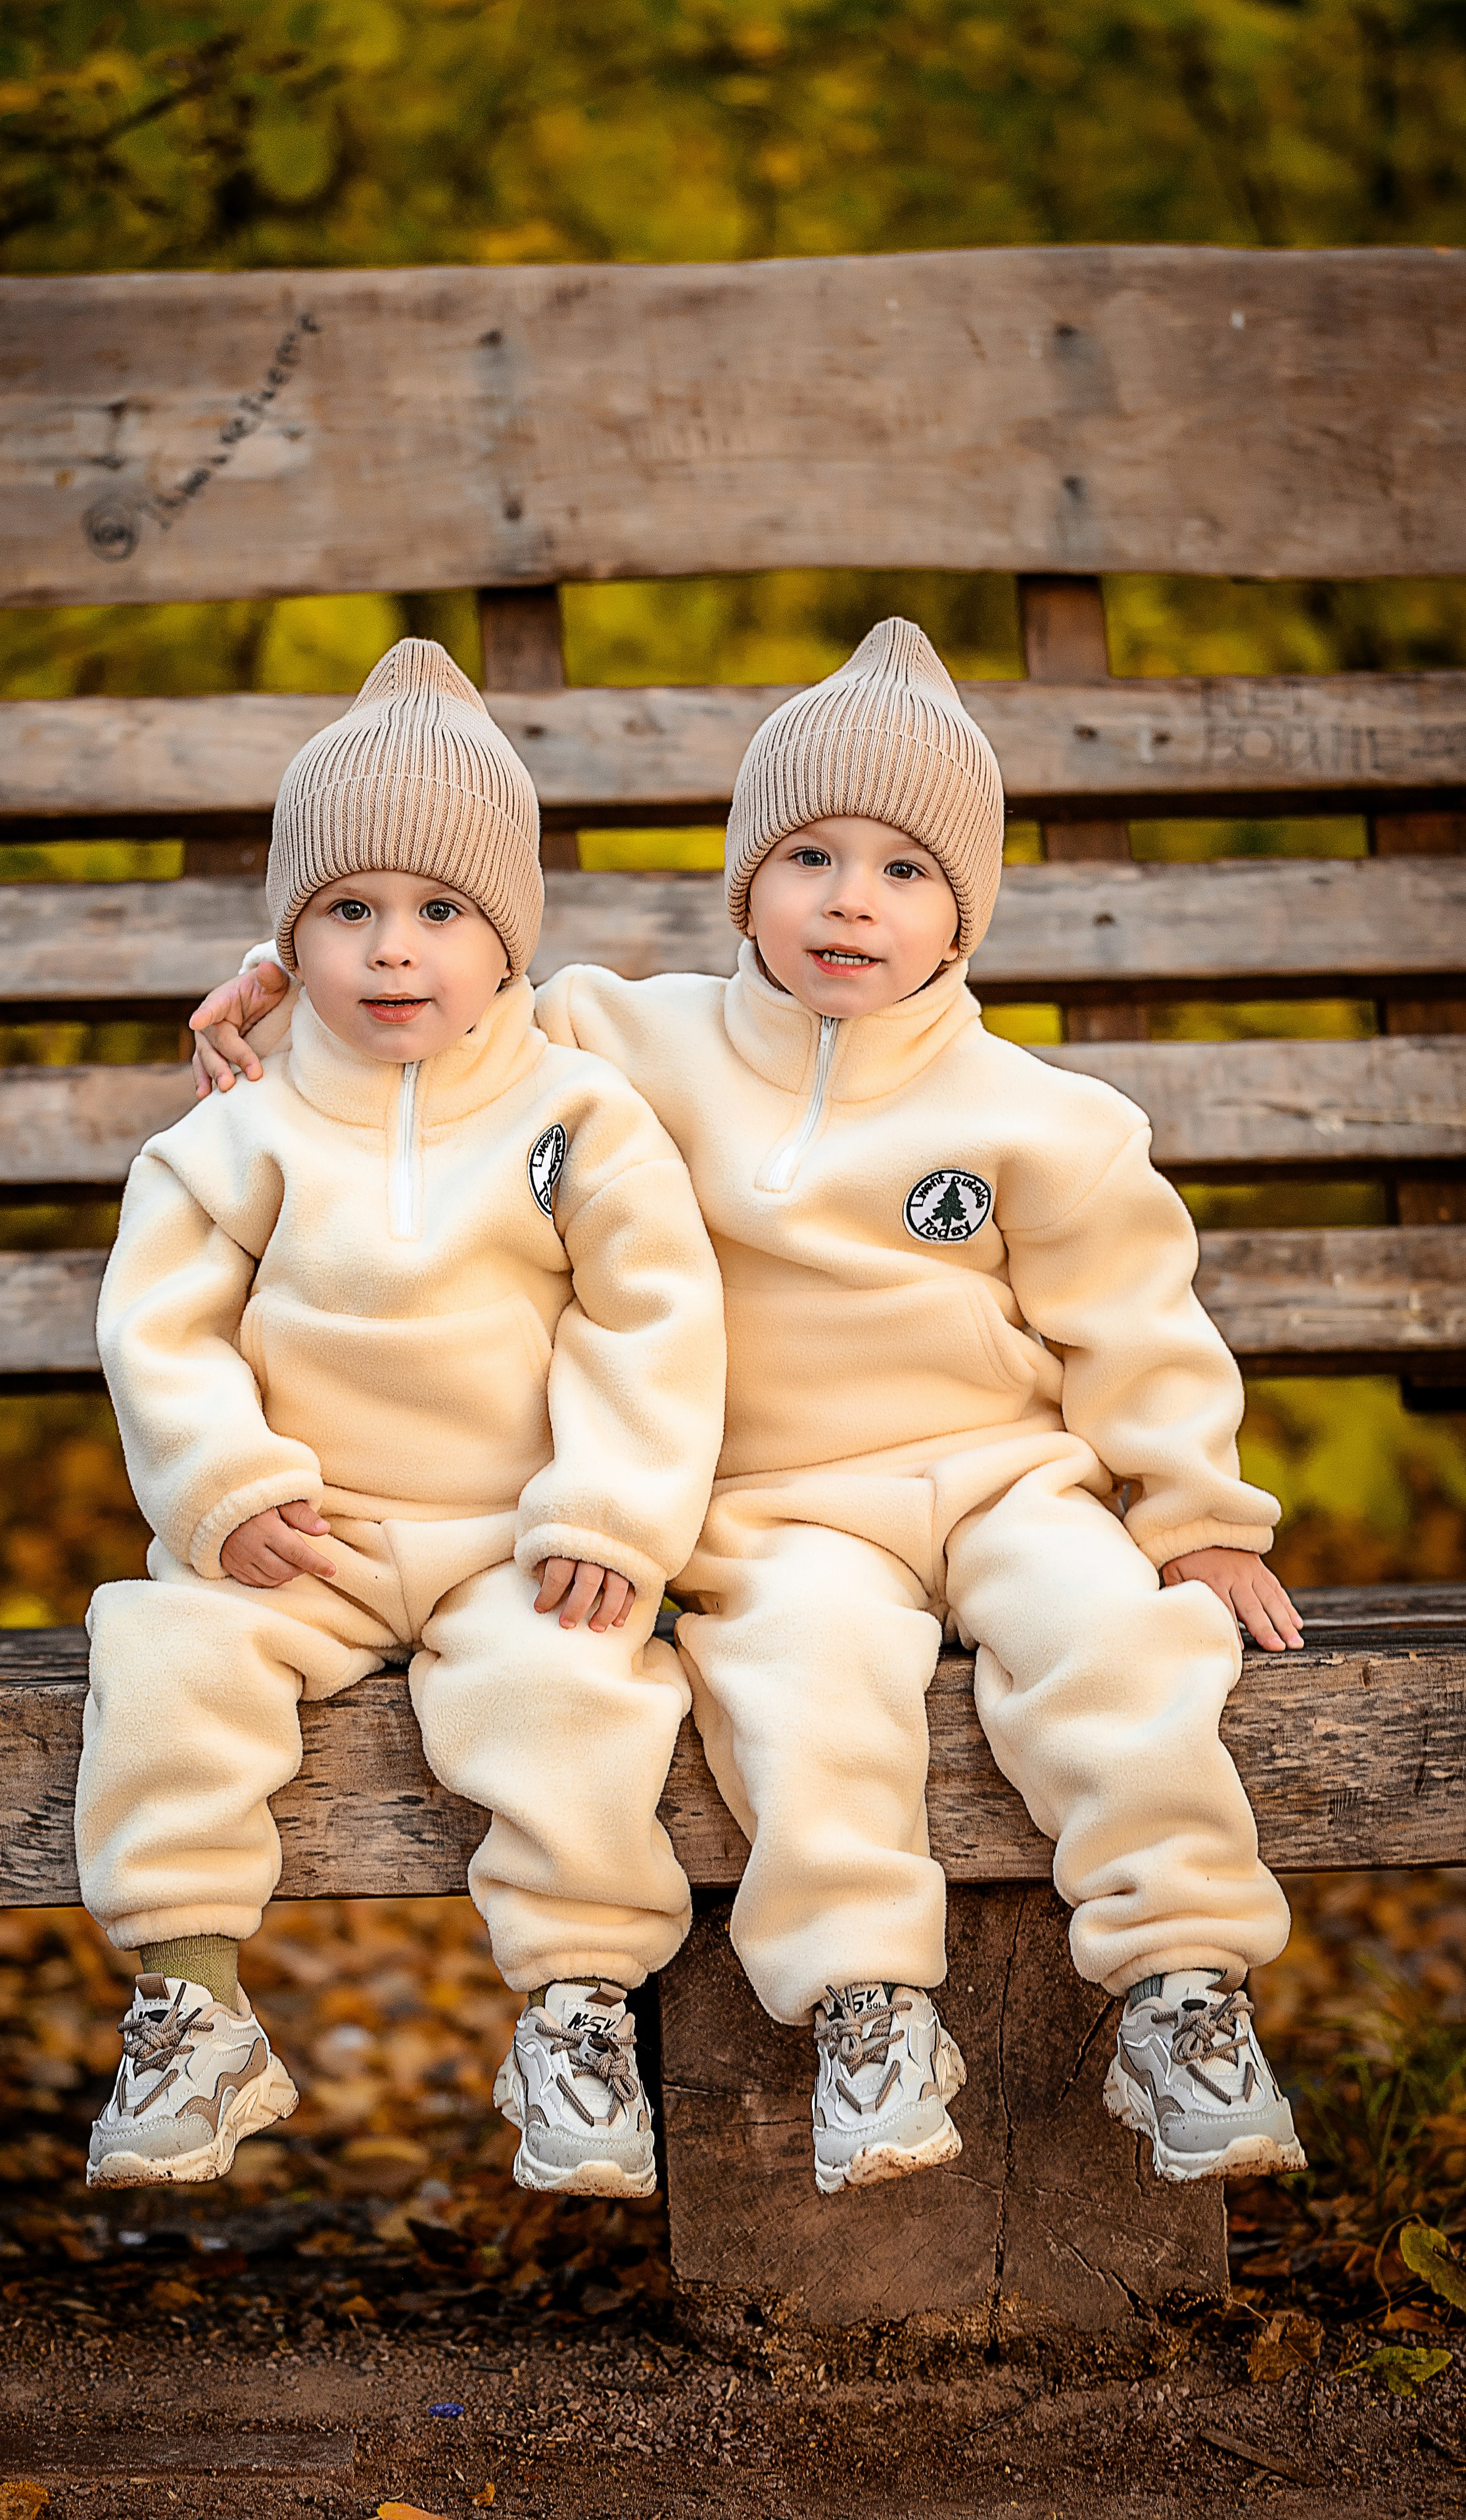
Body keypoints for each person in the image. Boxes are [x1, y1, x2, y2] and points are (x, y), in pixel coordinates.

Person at [189, 619, 1310, 2197]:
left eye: (904, 871)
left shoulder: (1042, 1118)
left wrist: (1193, 1515)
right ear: (745, 886)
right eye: (806, 857)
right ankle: (867, 2010)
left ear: (963, 914)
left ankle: (1181, 1987)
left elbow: (1135, 1326)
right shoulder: (621, 1038)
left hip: (1008, 1479)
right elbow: (434, 988)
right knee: (801, 1693)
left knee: (1118, 1644)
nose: (849, 899)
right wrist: (272, 988)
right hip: (775, 1512)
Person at [80, 637, 725, 2197]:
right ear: (289, 940)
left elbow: (649, 1317)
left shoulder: (579, 1113)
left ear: (507, 944)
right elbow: (160, 1328)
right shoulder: (238, 1136)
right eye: (347, 912)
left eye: (441, 912)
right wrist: (225, 1488)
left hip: (520, 1542)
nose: (391, 951)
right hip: (312, 1534)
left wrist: (610, 1513)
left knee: (573, 1692)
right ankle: (192, 2006)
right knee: (164, 1654)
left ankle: (578, 2014)